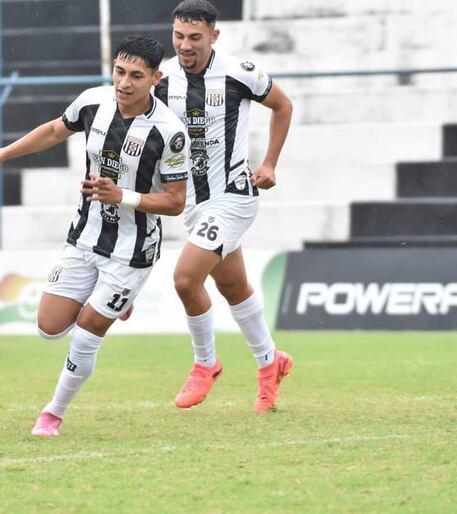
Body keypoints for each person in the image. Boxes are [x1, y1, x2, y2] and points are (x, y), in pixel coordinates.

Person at [0, 35, 191, 435]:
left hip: (132, 250)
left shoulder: (169, 131)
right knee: (48, 328)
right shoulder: (93, 101)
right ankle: (116, 305)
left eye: (136, 76)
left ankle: (53, 413)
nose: (124, 83)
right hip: (85, 237)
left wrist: (123, 196)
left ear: (156, 78)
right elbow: (54, 130)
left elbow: (175, 202)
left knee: (86, 333)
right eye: (120, 72)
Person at [153, 0, 295, 412]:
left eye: (194, 37)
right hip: (194, 203)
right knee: (233, 287)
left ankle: (205, 363)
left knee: (185, 279)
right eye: (178, 36)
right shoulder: (163, 80)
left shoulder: (239, 72)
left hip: (233, 197)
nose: (184, 45)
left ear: (214, 36)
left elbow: (283, 106)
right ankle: (271, 363)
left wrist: (269, 162)